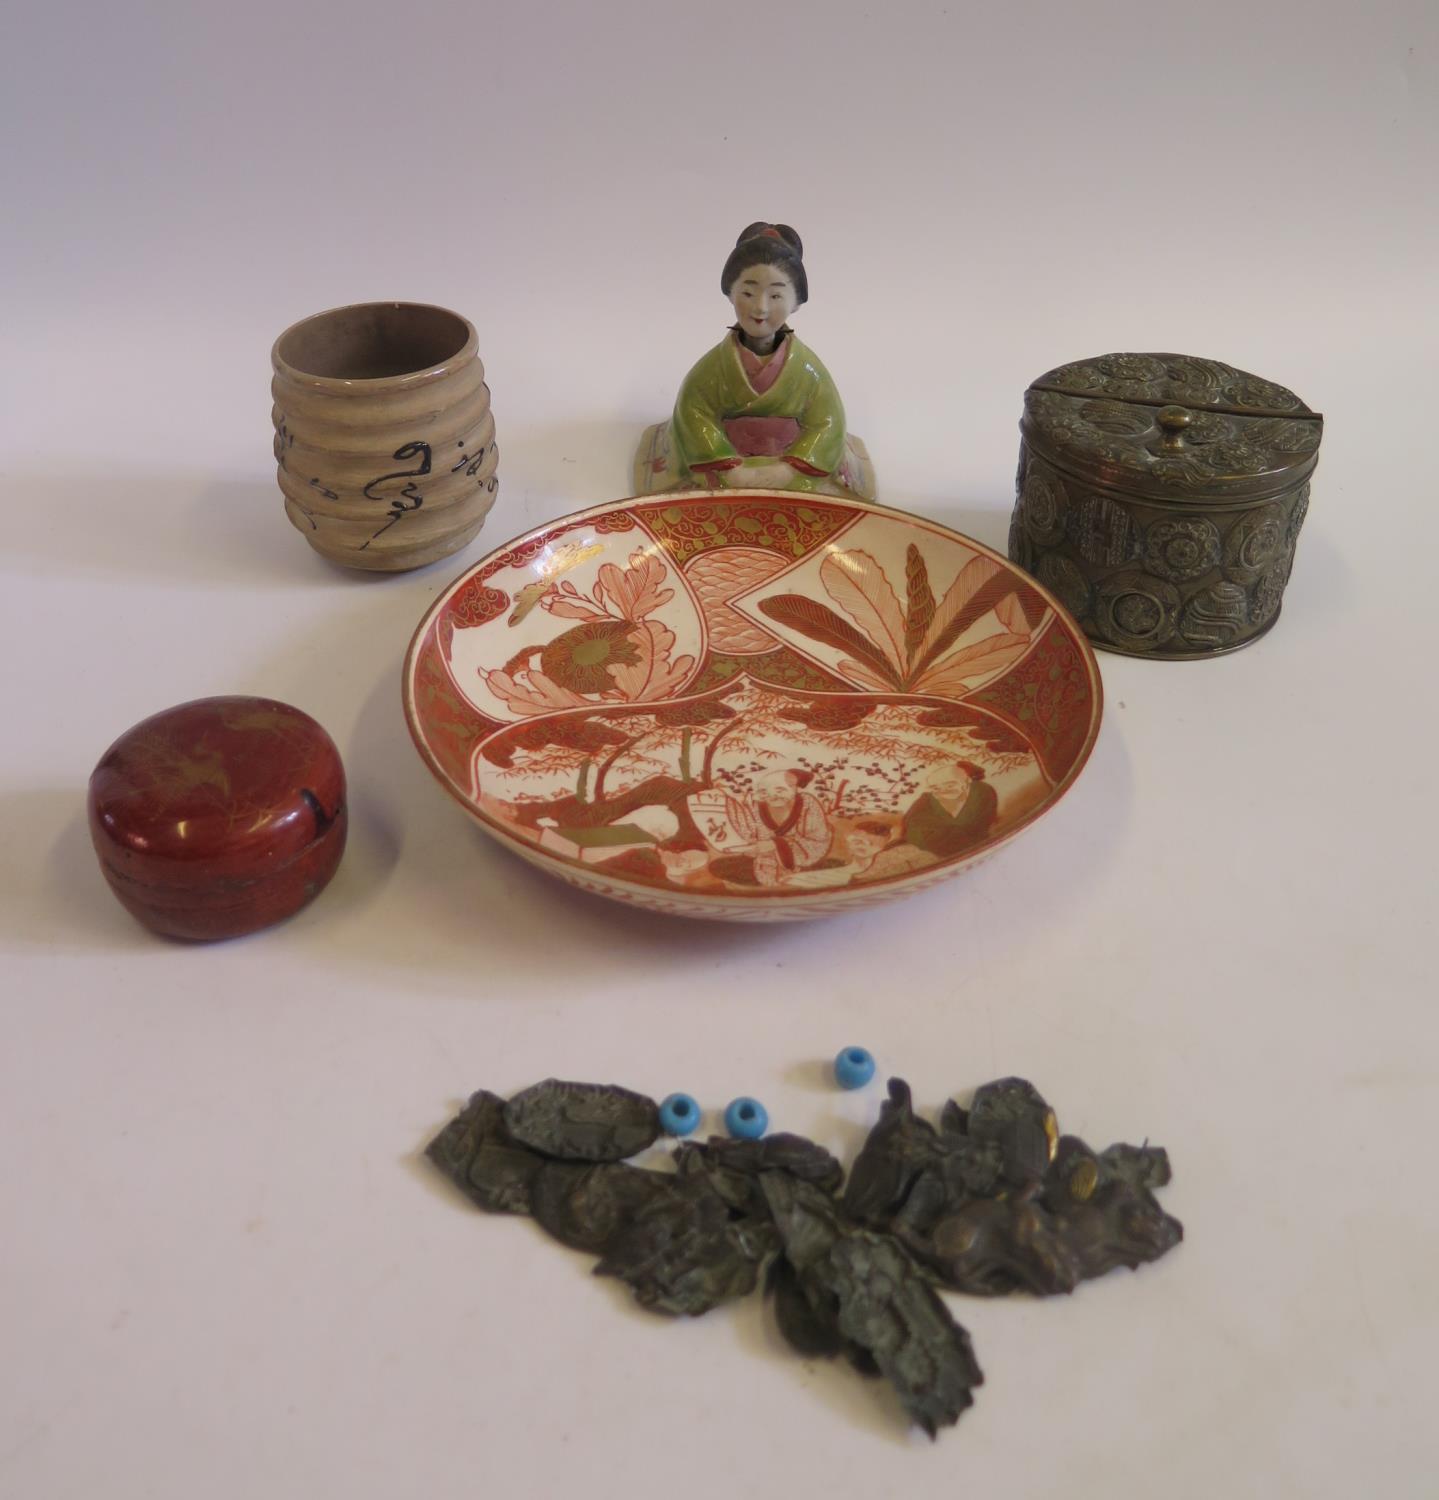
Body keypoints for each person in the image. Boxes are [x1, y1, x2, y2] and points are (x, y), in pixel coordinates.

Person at [635, 224, 874, 497]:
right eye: (748, 293)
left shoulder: (808, 371)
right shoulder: (711, 370)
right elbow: (693, 413)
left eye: (775, 295)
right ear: (730, 294)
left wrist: (787, 470)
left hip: (794, 468)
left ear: (796, 302)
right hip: (723, 466)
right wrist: (730, 469)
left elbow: (828, 422)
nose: (760, 307)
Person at [707, 768, 833, 886]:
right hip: (762, 860)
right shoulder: (755, 805)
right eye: (764, 792)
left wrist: (777, 845)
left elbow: (817, 840)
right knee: (718, 866)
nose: (773, 796)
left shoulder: (807, 803)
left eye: (780, 790)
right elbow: (745, 833)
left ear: (794, 788)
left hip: (800, 860)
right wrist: (748, 846)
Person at [900, 760, 999, 860]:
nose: (943, 790)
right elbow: (911, 824)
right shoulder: (927, 799)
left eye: (950, 785)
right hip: (933, 848)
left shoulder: (981, 791)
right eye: (936, 788)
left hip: (976, 849)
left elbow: (973, 825)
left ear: (967, 781)